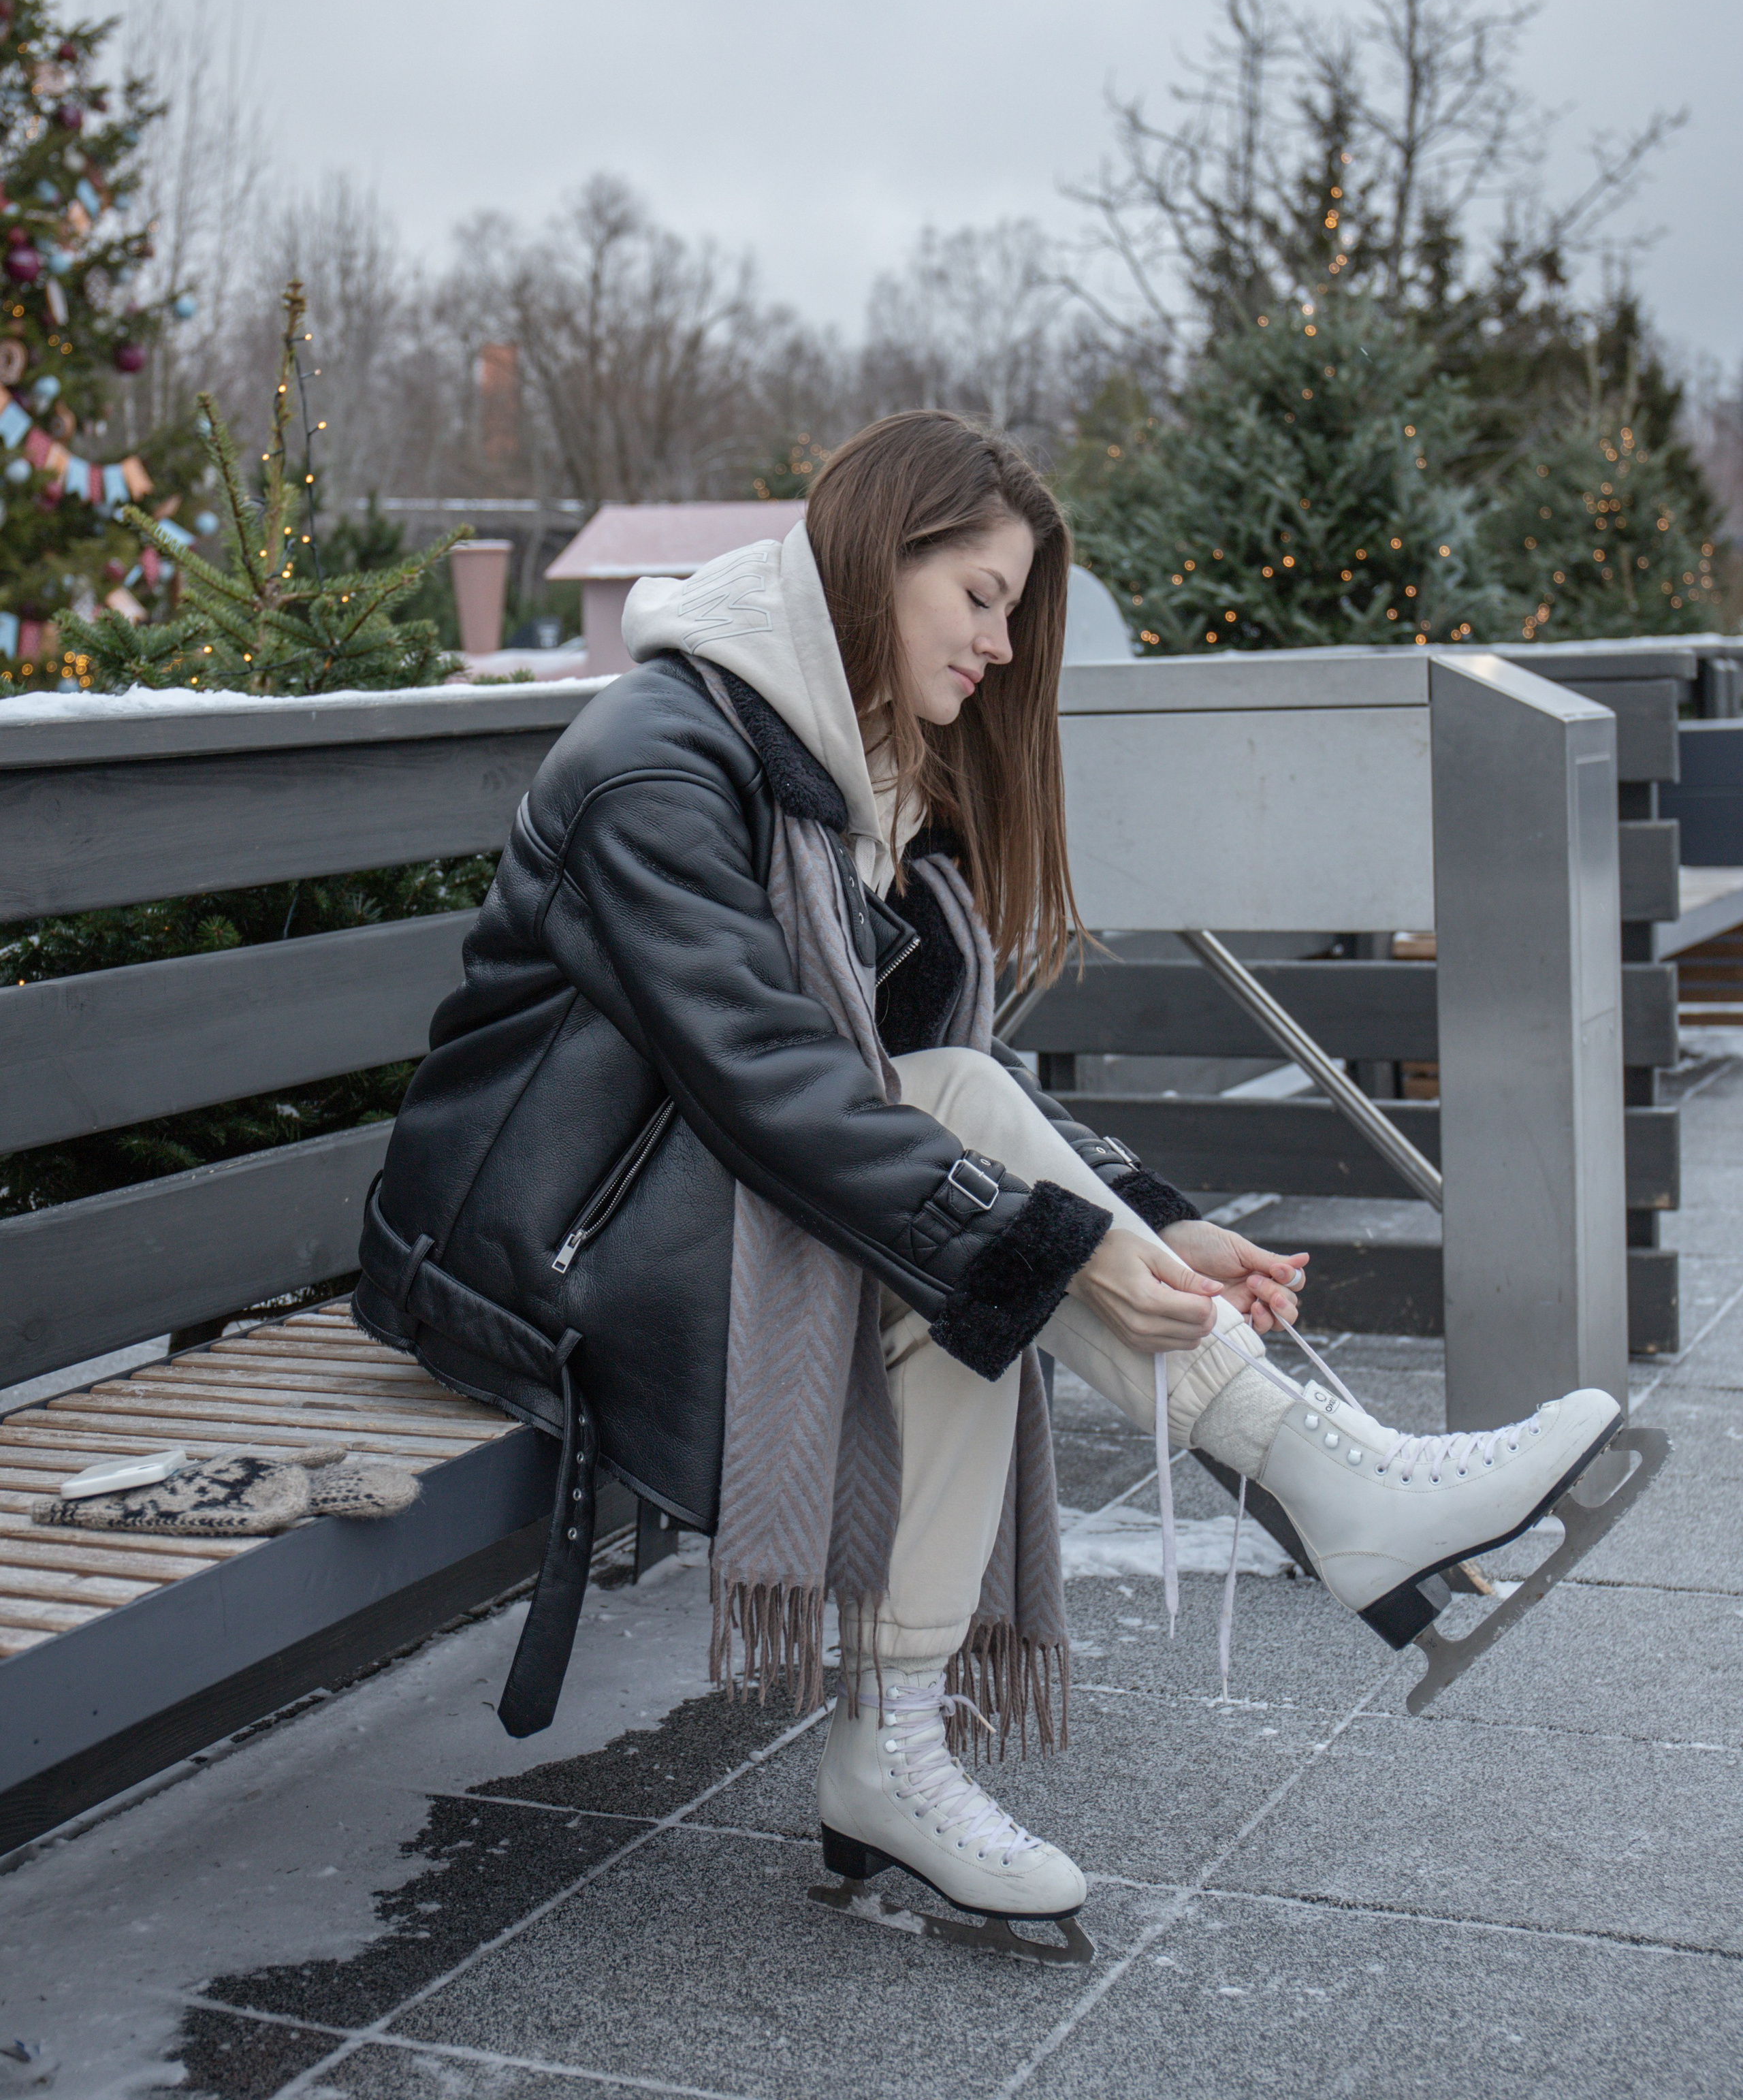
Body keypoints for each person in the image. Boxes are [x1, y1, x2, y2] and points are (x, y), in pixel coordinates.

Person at [355, 411, 1619, 1937]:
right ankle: (1314, 1477)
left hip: (687, 1209)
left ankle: (894, 1753)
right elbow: (777, 1081)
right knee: (971, 1233)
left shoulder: (862, 779)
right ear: (871, 564)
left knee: (969, 1258)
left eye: (1013, 611)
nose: (1004, 647)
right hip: (524, 1260)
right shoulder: (656, 764)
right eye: (980, 596)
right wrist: (1061, 1245)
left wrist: (1152, 1225)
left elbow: (940, 1079)